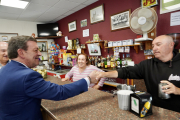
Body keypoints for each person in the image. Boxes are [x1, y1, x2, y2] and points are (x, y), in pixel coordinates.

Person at [0, 36, 99, 120]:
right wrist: (88, 79)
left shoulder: (4, 69)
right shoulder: (27, 76)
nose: (39, 53)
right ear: (21, 53)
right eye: (35, 50)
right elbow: (60, 92)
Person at [96, 35, 180, 112]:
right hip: (153, 109)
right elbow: (126, 71)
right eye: (153, 46)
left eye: (158, 44)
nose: (154, 49)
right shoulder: (147, 64)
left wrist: (177, 90)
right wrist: (103, 74)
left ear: (171, 45)